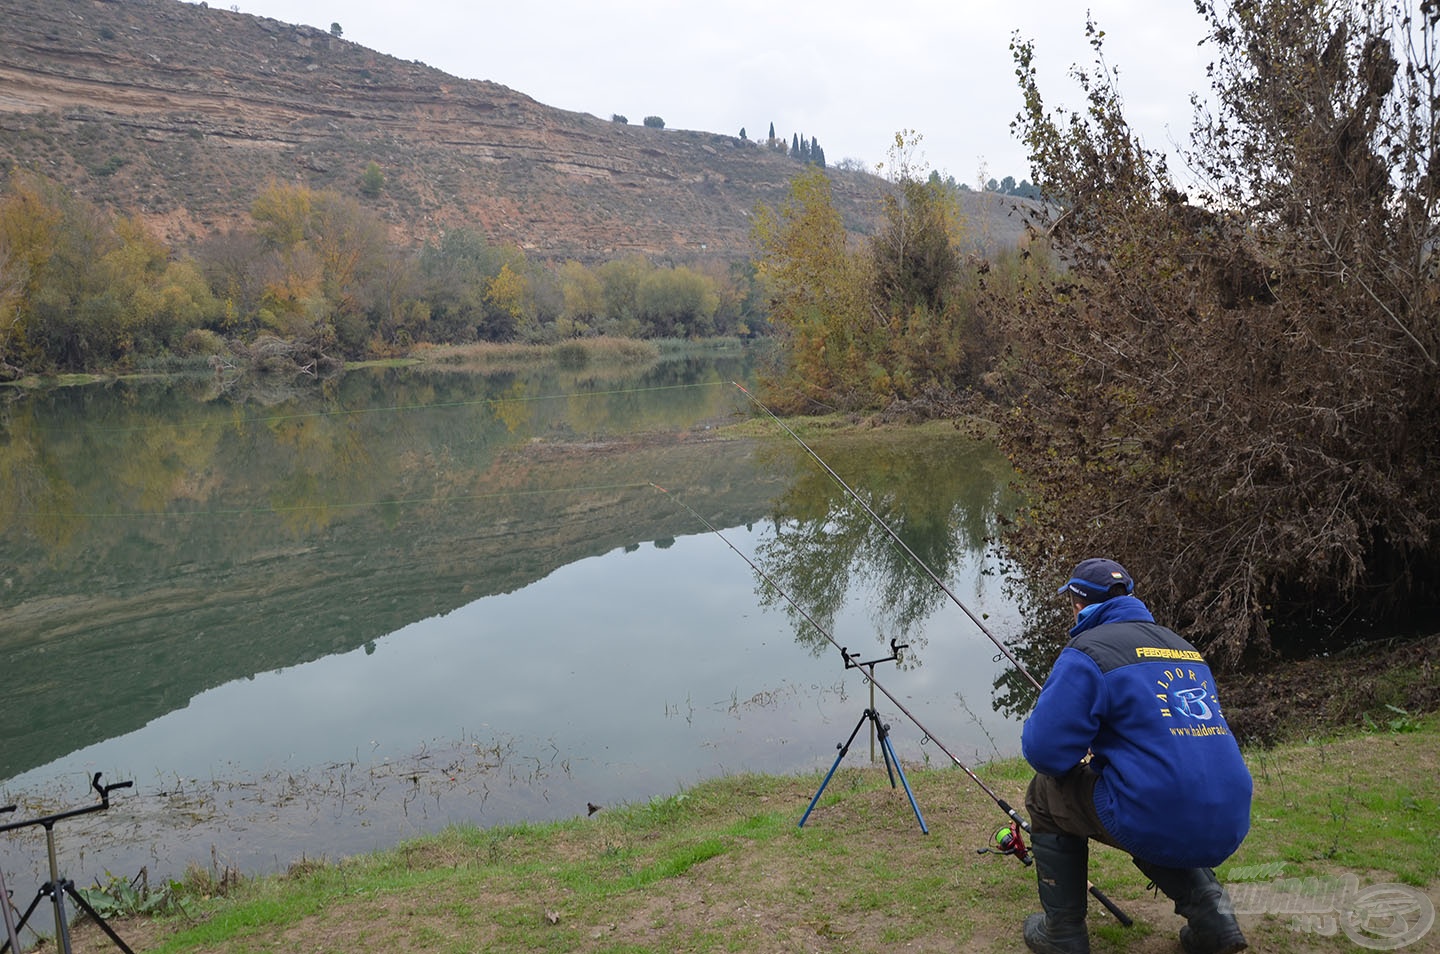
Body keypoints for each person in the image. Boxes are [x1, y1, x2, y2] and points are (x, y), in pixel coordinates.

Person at [1020, 558, 1252, 954]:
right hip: (1230, 815)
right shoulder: (1182, 647)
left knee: (1044, 794)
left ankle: (1063, 933)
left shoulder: (1087, 650)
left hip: (1159, 810)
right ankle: (1216, 920)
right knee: (1159, 803)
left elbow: (1045, 753)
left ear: (1078, 604)